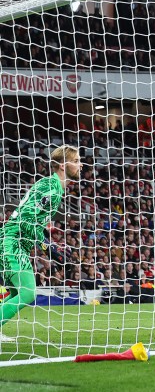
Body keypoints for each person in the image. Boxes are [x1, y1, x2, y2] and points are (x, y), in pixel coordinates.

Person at [1, 145, 81, 342]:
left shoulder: (52, 187)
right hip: (13, 242)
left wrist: (49, 246)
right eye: (77, 161)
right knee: (28, 293)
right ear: (63, 165)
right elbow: (26, 220)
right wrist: (47, 247)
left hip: (16, 242)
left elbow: (34, 221)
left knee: (16, 292)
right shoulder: (52, 189)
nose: (81, 164)